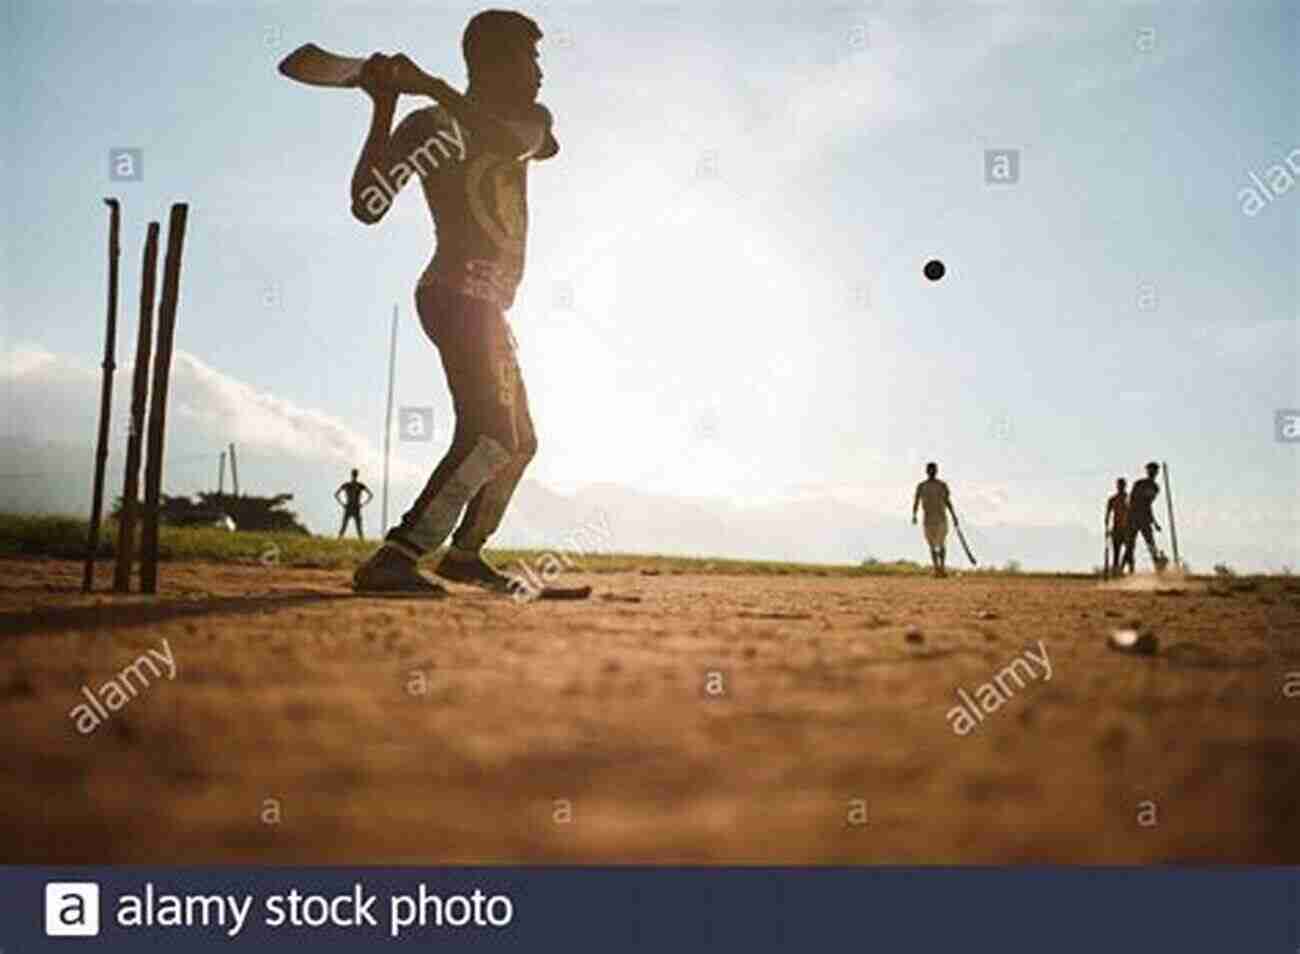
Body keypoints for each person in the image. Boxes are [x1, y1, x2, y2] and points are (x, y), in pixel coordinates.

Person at [347, 10, 560, 593]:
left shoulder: (528, 120)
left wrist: (429, 86)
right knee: (492, 432)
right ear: (492, 63)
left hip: (490, 311)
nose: (539, 71)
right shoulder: (430, 127)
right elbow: (369, 204)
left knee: (520, 443)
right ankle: (398, 555)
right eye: (528, 57)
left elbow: (510, 143)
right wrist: (385, 106)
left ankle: (463, 555)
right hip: (453, 295)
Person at [912, 462, 959, 577]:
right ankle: (936, 569)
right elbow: (917, 501)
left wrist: (954, 516)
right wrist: (914, 514)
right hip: (928, 520)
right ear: (926, 471)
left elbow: (948, 502)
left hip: (941, 519)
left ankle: (942, 568)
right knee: (932, 545)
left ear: (936, 471)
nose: (932, 471)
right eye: (930, 470)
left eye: (934, 469)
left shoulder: (942, 485)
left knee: (942, 543)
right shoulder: (921, 486)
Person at [1127, 461, 1167, 572]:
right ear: (1147, 471)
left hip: (1145, 519)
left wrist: (1154, 522)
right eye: (1150, 470)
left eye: (1154, 471)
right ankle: (1128, 570)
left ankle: (1158, 569)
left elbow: (1148, 505)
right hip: (1134, 518)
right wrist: (1130, 518)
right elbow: (1131, 501)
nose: (1152, 473)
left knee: (1151, 545)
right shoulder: (1139, 484)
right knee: (1130, 546)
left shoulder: (1155, 487)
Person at [335, 469, 373, 540]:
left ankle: (339, 540)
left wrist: (343, 504)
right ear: (356, 475)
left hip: (352, 507)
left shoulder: (353, 485)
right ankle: (340, 540)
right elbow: (370, 495)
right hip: (352, 507)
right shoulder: (352, 485)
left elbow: (336, 494)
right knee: (351, 527)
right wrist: (363, 504)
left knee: (352, 527)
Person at [1104, 477, 1130, 575]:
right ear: (1117, 486)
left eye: (1122, 485)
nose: (1120, 487)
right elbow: (1107, 515)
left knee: (1129, 551)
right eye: (1119, 485)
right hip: (1116, 529)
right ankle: (1115, 573)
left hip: (1127, 529)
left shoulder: (1129, 499)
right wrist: (1107, 529)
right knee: (1116, 553)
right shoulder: (1112, 500)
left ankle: (1125, 570)